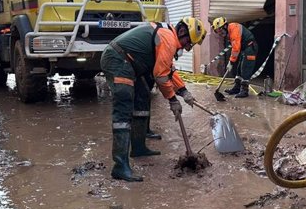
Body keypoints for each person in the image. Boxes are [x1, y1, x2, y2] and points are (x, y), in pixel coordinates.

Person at [101, 17, 207, 182]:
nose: (187, 48)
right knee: (124, 109)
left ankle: (138, 147)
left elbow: (168, 69)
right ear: (181, 32)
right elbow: (161, 75)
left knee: (143, 97)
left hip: (132, 63)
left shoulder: (168, 37)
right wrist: (172, 99)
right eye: (189, 42)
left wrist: (184, 91)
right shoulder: (168, 39)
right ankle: (120, 166)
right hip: (119, 60)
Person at [211, 17, 258, 98]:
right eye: (218, 32)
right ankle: (237, 88)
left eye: (221, 31)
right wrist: (232, 61)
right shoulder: (229, 31)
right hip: (244, 48)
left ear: (225, 26)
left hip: (250, 48)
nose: (220, 34)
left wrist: (231, 62)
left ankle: (244, 90)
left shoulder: (234, 29)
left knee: (245, 68)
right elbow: (235, 48)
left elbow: (236, 48)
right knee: (239, 68)